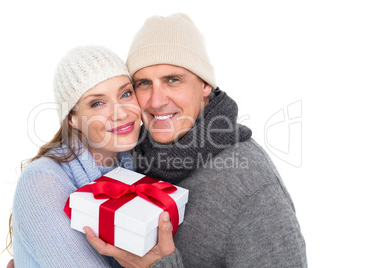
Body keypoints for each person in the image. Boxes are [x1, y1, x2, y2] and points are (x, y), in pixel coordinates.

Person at [84, 13, 307, 267]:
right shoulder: (132, 155)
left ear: (205, 86)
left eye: (172, 80)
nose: (156, 101)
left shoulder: (250, 183)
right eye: (144, 83)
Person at [9, 45, 158, 267]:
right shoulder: (43, 182)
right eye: (97, 103)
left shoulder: (139, 165)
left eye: (125, 93)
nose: (122, 113)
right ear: (72, 119)